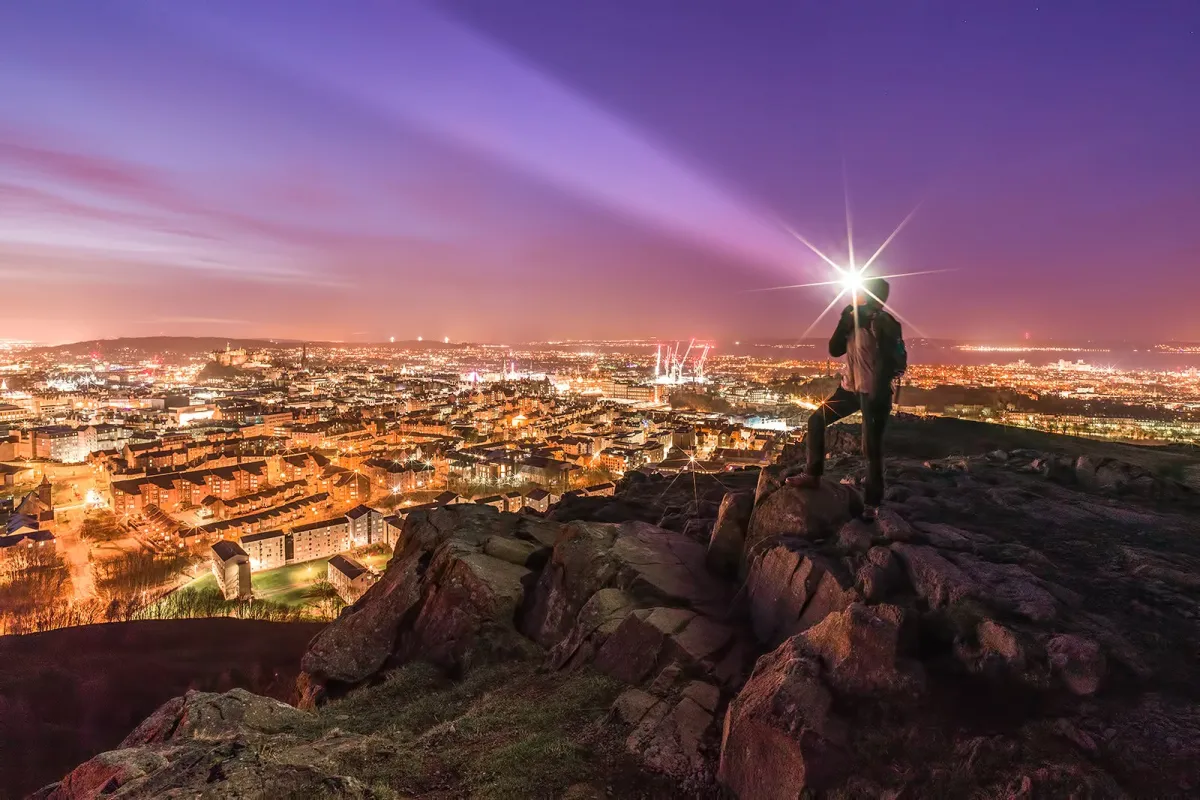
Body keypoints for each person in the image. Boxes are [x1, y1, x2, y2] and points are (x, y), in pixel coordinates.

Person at [788, 276, 906, 521]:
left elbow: (897, 360)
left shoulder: (885, 323)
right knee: (816, 421)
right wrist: (845, 321)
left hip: (874, 392)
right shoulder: (854, 319)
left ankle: (872, 504)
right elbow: (834, 349)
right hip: (850, 388)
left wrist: (879, 386)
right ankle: (812, 474)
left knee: (871, 448)